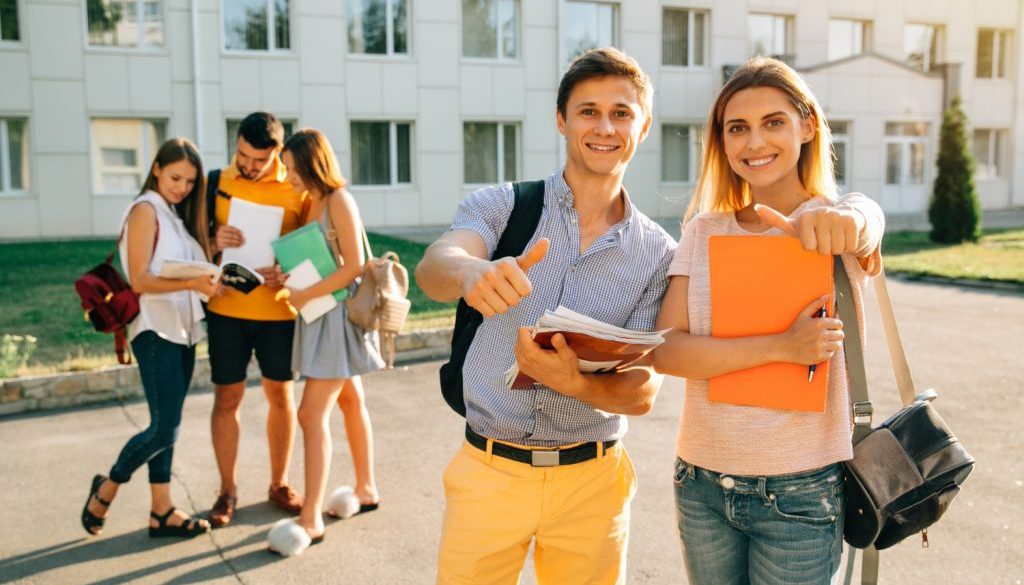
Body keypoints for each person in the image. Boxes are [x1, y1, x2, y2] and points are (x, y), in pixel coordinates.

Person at [416, 48, 676, 585]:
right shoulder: (503, 206)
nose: (605, 127)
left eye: (621, 113)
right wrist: (469, 274)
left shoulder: (658, 252)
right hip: (489, 472)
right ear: (561, 120)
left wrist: (576, 383)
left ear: (643, 126)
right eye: (588, 111)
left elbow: (643, 390)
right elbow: (435, 265)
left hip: (594, 484)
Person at [651, 57, 885, 584]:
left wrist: (851, 216)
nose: (754, 143)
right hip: (701, 483)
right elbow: (666, 352)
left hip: (800, 491)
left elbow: (869, 222)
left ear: (807, 126)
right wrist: (783, 346)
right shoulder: (704, 231)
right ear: (723, 142)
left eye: (773, 122)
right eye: (738, 128)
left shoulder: (836, 224)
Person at [81, 138, 220, 538]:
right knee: (163, 428)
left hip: (183, 328)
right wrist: (196, 280)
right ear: (156, 168)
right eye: (175, 177)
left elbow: (178, 266)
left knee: (168, 423)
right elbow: (140, 279)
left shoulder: (173, 214)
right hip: (155, 329)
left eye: (191, 182)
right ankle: (105, 489)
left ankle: (162, 512)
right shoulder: (145, 210)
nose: (182, 187)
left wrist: (212, 260)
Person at [271, 128, 384, 553]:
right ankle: (367, 488)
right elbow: (320, 261)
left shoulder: (338, 199)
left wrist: (302, 293)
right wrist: (290, 278)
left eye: (293, 169)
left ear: (311, 163)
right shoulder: (310, 202)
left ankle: (311, 515)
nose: (289, 177)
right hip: (320, 314)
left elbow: (354, 266)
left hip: (334, 317)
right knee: (351, 401)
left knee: (308, 414)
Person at [206, 112, 311, 527]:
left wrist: (285, 270)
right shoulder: (216, 181)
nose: (249, 166)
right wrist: (214, 241)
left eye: (259, 160)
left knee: (280, 397)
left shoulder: (295, 188)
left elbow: (310, 252)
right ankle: (227, 490)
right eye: (243, 156)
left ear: (277, 155)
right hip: (225, 310)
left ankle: (279, 483)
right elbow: (192, 240)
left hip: (278, 310)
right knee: (226, 399)